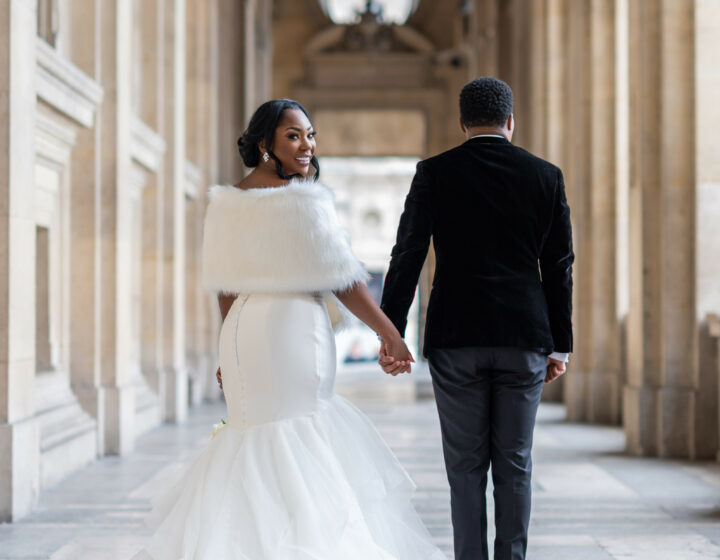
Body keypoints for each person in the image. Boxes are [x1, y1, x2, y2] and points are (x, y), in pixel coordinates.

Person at [132, 99, 445, 560]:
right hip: (293, 329)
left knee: (254, 436)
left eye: (310, 135)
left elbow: (226, 289)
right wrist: (390, 333)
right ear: (266, 144)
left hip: (243, 330)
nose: (307, 146)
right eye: (293, 135)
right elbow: (345, 281)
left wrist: (227, 351)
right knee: (300, 434)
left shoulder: (228, 201)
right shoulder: (305, 200)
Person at [379, 78, 574, 560]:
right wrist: (559, 344)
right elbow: (559, 266)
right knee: (515, 464)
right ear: (511, 121)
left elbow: (407, 255)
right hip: (524, 336)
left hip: (455, 337)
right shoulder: (545, 175)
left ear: (462, 123)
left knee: (465, 468)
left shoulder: (434, 172)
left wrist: (391, 333)